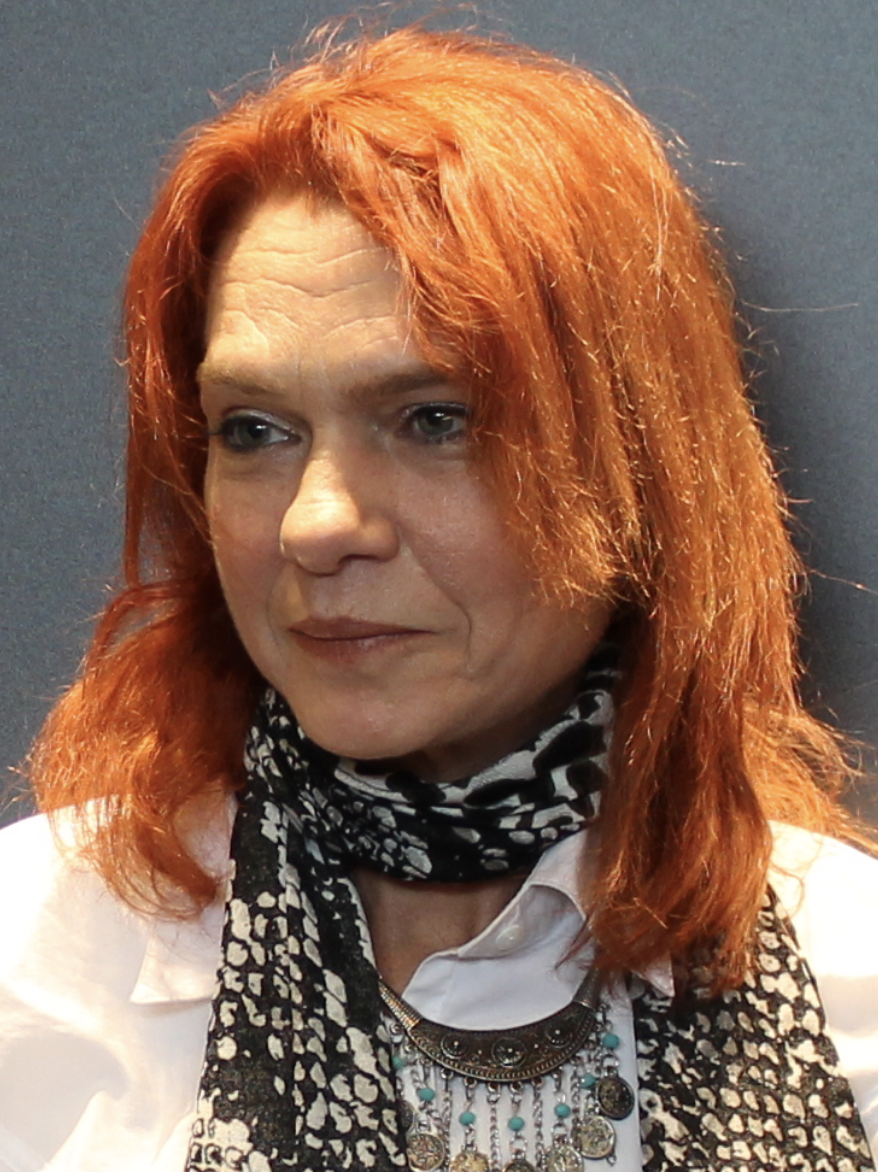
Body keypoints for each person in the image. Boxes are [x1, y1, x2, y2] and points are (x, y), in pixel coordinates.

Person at [1, 21, 877, 1172]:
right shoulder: (35, 965)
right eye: (254, 430)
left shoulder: (849, 981)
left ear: (636, 468)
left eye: (435, 419)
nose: (316, 524)